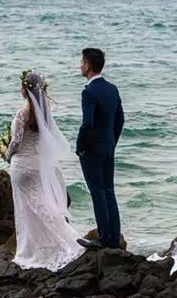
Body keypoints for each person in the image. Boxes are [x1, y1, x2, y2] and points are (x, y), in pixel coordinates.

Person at [5, 71, 85, 271]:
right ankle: (61, 241)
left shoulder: (22, 113)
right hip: (37, 164)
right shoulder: (45, 112)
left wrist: (7, 154)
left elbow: (16, 141)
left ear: (25, 89)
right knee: (43, 205)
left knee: (27, 211)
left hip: (21, 166)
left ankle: (34, 250)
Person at [75, 48, 124, 249]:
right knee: (109, 191)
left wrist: (80, 147)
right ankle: (114, 239)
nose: (80, 65)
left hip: (92, 150)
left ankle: (103, 238)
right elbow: (120, 120)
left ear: (88, 66)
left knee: (97, 192)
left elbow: (87, 124)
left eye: (82, 62)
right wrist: (112, 142)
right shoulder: (112, 89)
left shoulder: (89, 92)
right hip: (109, 147)